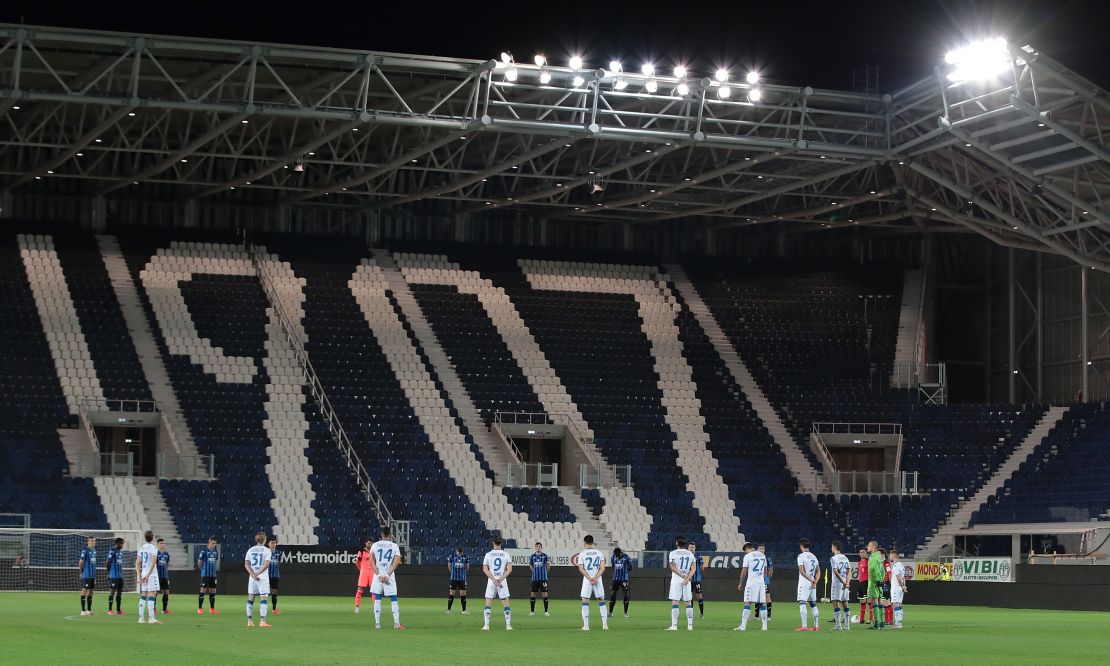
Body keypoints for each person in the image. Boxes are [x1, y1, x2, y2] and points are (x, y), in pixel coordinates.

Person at [368, 526, 404, 630]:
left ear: (381, 534)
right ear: (389, 535)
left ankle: (377, 623)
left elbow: (371, 561)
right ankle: (396, 624)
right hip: (389, 575)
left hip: (378, 574)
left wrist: (379, 575)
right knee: (393, 598)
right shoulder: (394, 546)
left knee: (378, 598)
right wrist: (387, 575)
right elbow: (396, 562)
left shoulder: (375, 545)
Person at [576, 535, 608, 631]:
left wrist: (590, 578)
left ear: (585, 543)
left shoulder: (582, 554)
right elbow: (603, 567)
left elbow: (580, 568)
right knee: (601, 600)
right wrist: (596, 578)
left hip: (587, 579)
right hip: (597, 578)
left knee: (585, 600)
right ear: (593, 542)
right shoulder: (599, 553)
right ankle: (605, 625)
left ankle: (586, 626)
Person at [481, 535, 513, 631]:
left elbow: (485, 569)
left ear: (493, 543)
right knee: (505, 602)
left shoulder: (488, 554)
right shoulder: (506, 554)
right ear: (501, 543)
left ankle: (486, 625)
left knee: (488, 601)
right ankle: (508, 625)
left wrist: (494, 579)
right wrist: (501, 578)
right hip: (502, 581)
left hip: (491, 580)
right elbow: (509, 569)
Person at [735, 542, 768, 631]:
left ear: (747, 548)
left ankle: (743, 626)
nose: (745, 553)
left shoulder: (748, 556)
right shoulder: (762, 555)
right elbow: (765, 570)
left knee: (747, 602)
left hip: (751, 582)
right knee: (762, 603)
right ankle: (764, 626)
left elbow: (744, 571)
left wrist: (740, 583)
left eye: (745, 551)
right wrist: (760, 578)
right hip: (761, 582)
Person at [666, 535, 695, 631]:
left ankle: (674, 626)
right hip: (687, 579)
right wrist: (687, 578)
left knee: (675, 601)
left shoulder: (673, 553)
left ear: (677, 543)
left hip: (676, 579)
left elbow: (673, 568)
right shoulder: (690, 554)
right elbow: (693, 569)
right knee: (688, 602)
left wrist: (682, 576)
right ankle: (690, 626)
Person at [244, 532, 272, 628]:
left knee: (250, 598)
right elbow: (266, 564)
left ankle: (249, 621)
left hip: (252, 578)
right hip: (262, 577)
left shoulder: (250, 550)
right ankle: (262, 621)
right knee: (263, 598)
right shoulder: (267, 550)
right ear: (264, 539)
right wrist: (258, 573)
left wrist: (252, 574)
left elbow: (246, 564)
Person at [135, 530, 162, 625]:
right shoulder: (154, 548)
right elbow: (153, 562)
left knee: (143, 595)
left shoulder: (142, 548)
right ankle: (151, 619)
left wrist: (139, 575)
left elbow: (137, 563)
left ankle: (141, 618)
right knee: (152, 594)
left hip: (143, 572)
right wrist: (148, 575)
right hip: (151, 574)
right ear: (153, 537)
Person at [796, 538, 821, 631]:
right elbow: (818, 571)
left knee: (802, 603)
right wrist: (815, 581)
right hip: (813, 583)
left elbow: (802, 571)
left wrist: (810, 580)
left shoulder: (801, 556)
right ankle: (816, 626)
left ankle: (804, 626)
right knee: (813, 604)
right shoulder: (814, 556)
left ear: (801, 546)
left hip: (805, 582)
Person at [829, 541, 851, 631]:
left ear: (835, 547)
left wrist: (842, 581)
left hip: (837, 583)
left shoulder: (833, 558)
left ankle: (838, 626)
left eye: (832, 547)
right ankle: (847, 626)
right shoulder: (845, 558)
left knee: (835, 602)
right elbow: (849, 571)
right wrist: (847, 582)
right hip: (845, 582)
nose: (831, 548)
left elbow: (835, 571)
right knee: (845, 603)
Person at [197, 536, 220, 614]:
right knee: (203, 590)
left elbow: (215, 561)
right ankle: (200, 609)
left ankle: (212, 609)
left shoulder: (216, 552)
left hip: (213, 575)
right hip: (205, 574)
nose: (214, 545)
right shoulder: (203, 551)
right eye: (213, 543)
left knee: (213, 591)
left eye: (215, 544)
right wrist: (202, 570)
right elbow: (199, 562)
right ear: (209, 542)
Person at [866, 541, 886, 629]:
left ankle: (876, 623)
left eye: (869, 545)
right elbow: (882, 570)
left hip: (874, 581)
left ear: (873, 547)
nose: (867, 547)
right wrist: (882, 580)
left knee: (874, 601)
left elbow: (873, 569)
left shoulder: (873, 557)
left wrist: (876, 580)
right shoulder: (879, 556)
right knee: (880, 600)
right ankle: (882, 623)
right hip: (880, 581)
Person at [608, 547, 632, 618]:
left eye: (617, 554)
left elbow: (630, 568)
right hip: (616, 579)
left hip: (624, 579)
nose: (616, 556)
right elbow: (613, 566)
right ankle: (610, 612)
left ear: (620, 553)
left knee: (625, 594)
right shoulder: (613, 557)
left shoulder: (626, 557)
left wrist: (624, 570)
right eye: (615, 554)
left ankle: (625, 613)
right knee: (613, 593)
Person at [528, 542, 550, 616]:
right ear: (535, 547)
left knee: (545, 594)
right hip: (535, 579)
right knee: (533, 594)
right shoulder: (532, 556)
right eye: (537, 546)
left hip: (543, 578)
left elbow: (548, 565)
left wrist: (545, 572)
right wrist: (534, 572)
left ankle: (546, 611)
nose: (538, 547)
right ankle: (532, 611)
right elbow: (530, 566)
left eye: (539, 546)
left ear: (541, 547)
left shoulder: (545, 556)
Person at [446, 546, 469, 614]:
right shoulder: (451, 556)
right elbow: (449, 565)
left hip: (462, 579)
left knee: (463, 594)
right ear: (456, 551)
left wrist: (463, 573)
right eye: (459, 553)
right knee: (452, 593)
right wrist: (452, 572)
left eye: (461, 553)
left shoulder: (466, 557)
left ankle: (464, 610)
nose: (460, 554)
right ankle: (449, 610)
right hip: (454, 578)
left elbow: (467, 567)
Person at [78, 536, 97, 616]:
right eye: (91, 541)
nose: (93, 542)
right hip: (87, 574)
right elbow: (81, 562)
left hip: (92, 575)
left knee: (91, 592)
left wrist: (95, 576)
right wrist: (82, 571)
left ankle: (89, 610)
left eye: (94, 541)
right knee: (84, 590)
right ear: (88, 541)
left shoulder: (94, 551)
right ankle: (83, 611)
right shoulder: (85, 550)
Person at [354, 538, 374, 614]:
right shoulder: (361, 551)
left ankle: (376, 608)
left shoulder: (373, 551)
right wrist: (361, 569)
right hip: (364, 572)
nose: (370, 545)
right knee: (360, 590)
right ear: (366, 543)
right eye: (369, 543)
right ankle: (357, 607)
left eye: (371, 543)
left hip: (372, 572)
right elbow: (357, 562)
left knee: (374, 591)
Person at [106, 537, 125, 615]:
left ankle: (118, 610)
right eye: (121, 543)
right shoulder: (112, 551)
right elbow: (107, 562)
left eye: (122, 543)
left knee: (120, 592)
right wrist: (109, 573)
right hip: (113, 576)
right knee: (112, 592)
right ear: (117, 543)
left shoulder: (120, 552)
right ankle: (110, 610)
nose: (122, 545)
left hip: (120, 576)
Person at [890, 549, 907, 629]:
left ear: (894, 556)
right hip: (900, 588)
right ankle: (899, 622)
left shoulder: (896, 565)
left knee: (895, 604)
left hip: (896, 587)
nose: (890, 557)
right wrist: (903, 586)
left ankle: (897, 623)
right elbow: (903, 578)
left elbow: (898, 578)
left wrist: (901, 586)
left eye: (890, 555)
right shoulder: (901, 565)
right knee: (899, 604)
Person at [688, 542, 705, 618]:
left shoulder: (699, 556)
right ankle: (691, 614)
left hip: (697, 579)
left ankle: (701, 613)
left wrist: (699, 564)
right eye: (690, 547)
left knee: (699, 596)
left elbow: (702, 569)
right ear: (688, 548)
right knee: (689, 596)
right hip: (689, 580)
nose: (691, 549)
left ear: (695, 548)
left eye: (693, 547)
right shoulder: (686, 557)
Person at [759, 544, 774, 621]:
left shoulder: (767, 558)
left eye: (762, 548)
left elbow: (771, 568)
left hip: (764, 580)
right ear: (758, 550)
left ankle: (769, 616)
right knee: (757, 597)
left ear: (764, 550)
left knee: (767, 596)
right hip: (757, 580)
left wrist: (767, 578)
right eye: (760, 548)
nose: (761, 549)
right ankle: (756, 616)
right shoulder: (756, 558)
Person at [156, 538, 171, 614]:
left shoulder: (166, 554)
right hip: (157, 576)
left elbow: (167, 564)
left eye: (164, 543)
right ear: (158, 544)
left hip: (165, 576)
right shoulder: (155, 553)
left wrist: (167, 576)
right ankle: (153, 608)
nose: (163, 544)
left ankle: (164, 610)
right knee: (155, 593)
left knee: (166, 592)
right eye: (161, 543)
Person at [267, 538, 281, 614]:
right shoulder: (266, 552)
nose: (273, 544)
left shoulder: (279, 552)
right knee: (265, 592)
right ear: (268, 544)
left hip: (275, 575)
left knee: (275, 591)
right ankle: (263, 607)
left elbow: (279, 562)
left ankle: (274, 609)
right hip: (266, 575)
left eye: (275, 543)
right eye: (272, 542)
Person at [857, 547, 871, 623]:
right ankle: (862, 619)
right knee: (862, 600)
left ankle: (871, 618)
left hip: (867, 582)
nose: (862, 553)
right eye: (861, 552)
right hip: (860, 582)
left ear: (866, 553)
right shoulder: (859, 562)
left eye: (863, 552)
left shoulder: (868, 561)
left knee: (869, 600)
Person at [881, 548, 894, 625]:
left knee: (887, 601)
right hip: (882, 583)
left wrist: (890, 583)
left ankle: (890, 620)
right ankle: (886, 620)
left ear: (883, 554)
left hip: (886, 583)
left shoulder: (886, 563)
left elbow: (889, 573)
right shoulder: (880, 563)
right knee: (883, 602)